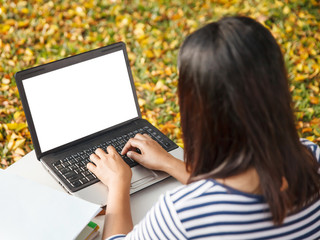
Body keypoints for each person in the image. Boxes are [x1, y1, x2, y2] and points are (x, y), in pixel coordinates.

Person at [87, 16, 320, 239]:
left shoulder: (183, 215)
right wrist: (170, 163)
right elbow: (240, 189)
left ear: (200, 112)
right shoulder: (313, 157)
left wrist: (118, 183)